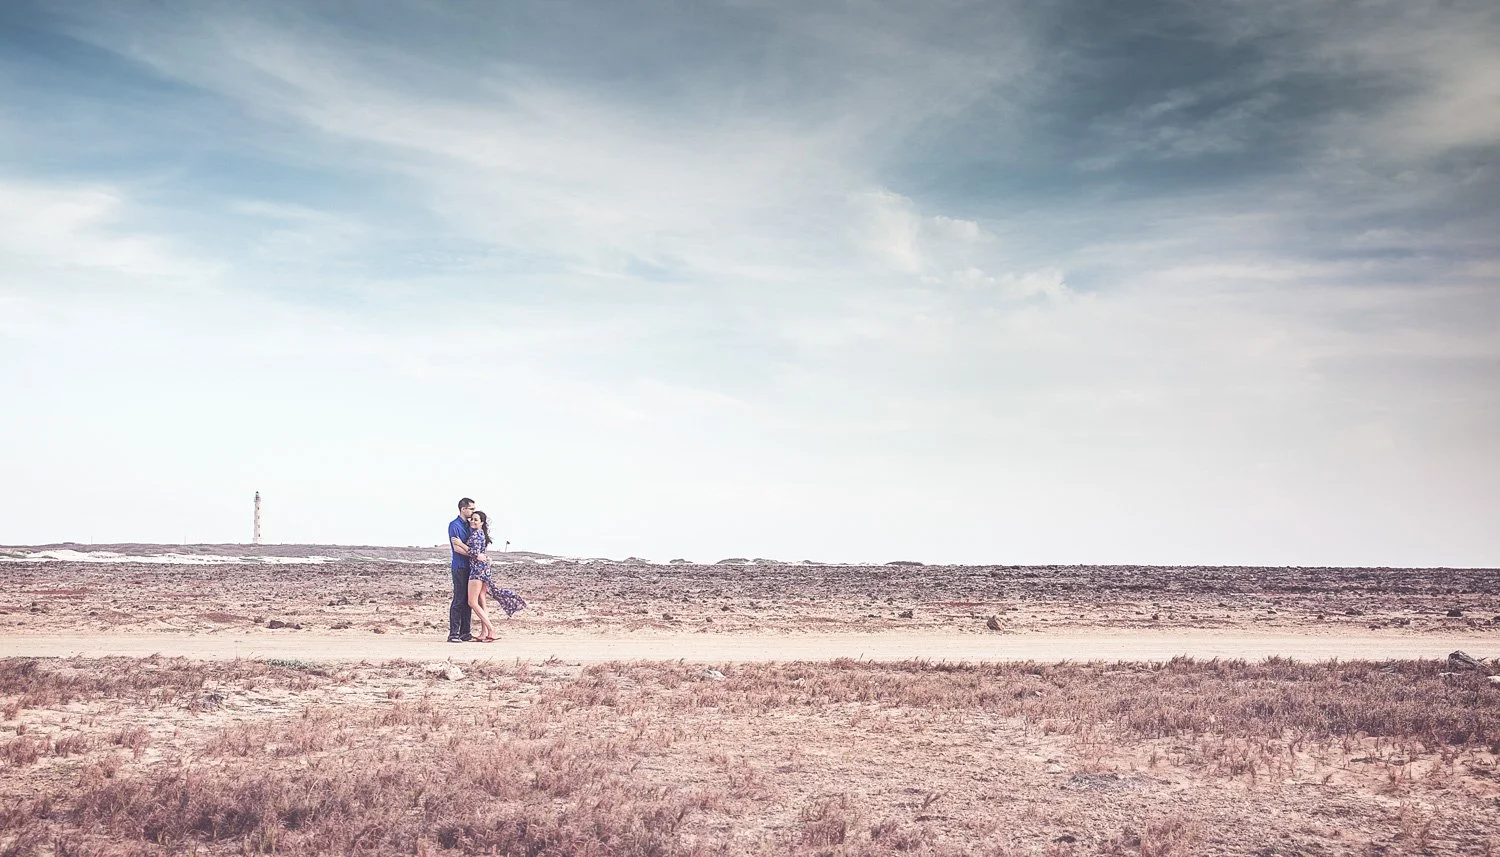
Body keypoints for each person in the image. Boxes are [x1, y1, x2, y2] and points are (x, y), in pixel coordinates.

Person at [468, 510, 527, 637]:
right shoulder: (481, 534)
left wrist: (460, 545)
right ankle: (484, 632)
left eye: (476, 519)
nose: (472, 521)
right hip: (484, 569)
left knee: (472, 602)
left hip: (477, 570)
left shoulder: (476, 535)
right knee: (481, 599)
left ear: (482, 523)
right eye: (471, 519)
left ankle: (491, 628)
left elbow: (475, 553)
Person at [447, 498, 476, 643]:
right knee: (459, 599)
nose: (473, 511)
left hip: (470, 567)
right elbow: (457, 547)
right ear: (463, 509)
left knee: (468, 600)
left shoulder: (470, 525)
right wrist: (475, 554)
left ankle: (465, 632)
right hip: (459, 567)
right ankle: (453, 634)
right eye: (471, 509)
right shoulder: (454, 525)